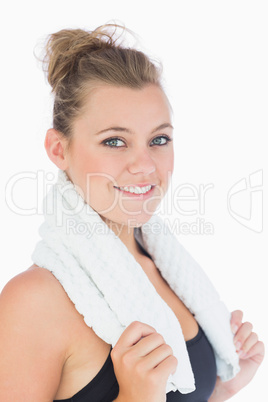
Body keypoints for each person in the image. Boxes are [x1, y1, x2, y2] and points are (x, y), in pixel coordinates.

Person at [0, 23, 264, 402]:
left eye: (159, 139)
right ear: (59, 150)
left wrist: (221, 387)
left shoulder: (165, 270)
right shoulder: (32, 303)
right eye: (114, 141)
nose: (145, 165)